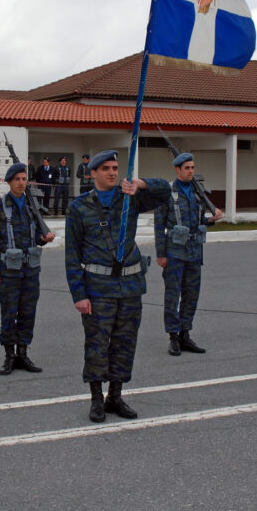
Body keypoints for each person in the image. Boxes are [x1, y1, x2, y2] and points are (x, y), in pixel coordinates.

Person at [65, 150, 170, 423]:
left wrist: (140, 184)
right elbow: (72, 255)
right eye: (106, 168)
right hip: (97, 289)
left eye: (115, 168)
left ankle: (115, 396)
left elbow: (165, 191)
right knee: (97, 346)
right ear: (93, 173)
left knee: (125, 344)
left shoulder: (130, 199)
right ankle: (96, 399)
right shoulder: (79, 207)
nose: (113, 172)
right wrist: (79, 295)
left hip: (129, 287)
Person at [0, 162, 55, 375]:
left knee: (28, 312)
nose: (21, 183)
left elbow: (37, 238)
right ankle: (9, 356)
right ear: (9, 182)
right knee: (8, 312)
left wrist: (44, 239)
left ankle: (23, 353)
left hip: (31, 271)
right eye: (17, 179)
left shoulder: (34, 206)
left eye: (24, 179)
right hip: (8, 271)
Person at [154, 152, 224, 355]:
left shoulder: (198, 192)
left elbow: (199, 220)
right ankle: (173, 336)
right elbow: (159, 226)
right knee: (172, 295)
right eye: (187, 168)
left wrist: (210, 220)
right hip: (174, 251)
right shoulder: (167, 192)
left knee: (191, 294)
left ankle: (185, 333)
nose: (191, 171)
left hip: (194, 251)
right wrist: (161, 254)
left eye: (193, 167)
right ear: (178, 170)